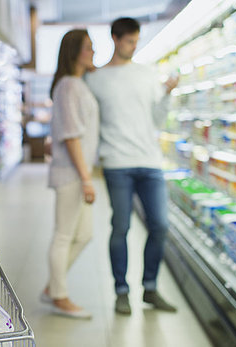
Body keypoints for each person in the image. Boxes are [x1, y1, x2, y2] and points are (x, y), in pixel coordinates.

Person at [84, 17, 179, 315]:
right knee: (121, 226)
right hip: (117, 162)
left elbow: (158, 120)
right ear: (115, 38)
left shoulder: (147, 74)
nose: (133, 47)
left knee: (160, 225)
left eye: (137, 41)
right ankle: (121, 291)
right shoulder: (95, 79)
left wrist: (168, 93)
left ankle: (149, 287)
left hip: (150, 161)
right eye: (129, 41)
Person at [40, 29, 99, 319]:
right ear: (74, 51)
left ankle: (53, 286)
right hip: (72, 173)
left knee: (84, 234)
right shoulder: (68, 86)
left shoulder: (76, 83)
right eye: (88, 47)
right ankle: (60, 295)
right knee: (64, 235)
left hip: (78, 170)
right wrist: (86, 178)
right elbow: (72, 136)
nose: (93, 52)